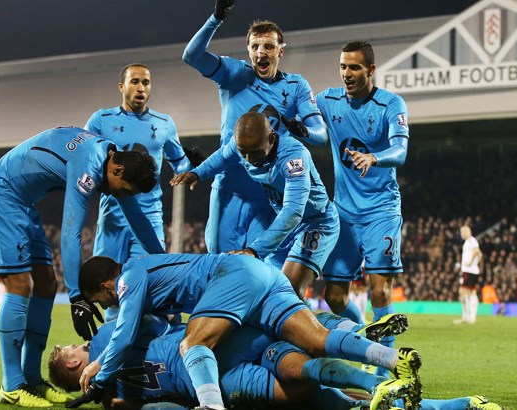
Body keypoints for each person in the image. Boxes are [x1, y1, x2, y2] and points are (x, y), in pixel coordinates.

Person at [71, 253, 423, 410]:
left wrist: (99, 372)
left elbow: (126, 331)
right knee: (314, 339)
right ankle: (395, 360)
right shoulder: (146, 268)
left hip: (230, 278)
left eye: (102, 301)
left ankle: (211, 405)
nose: (108, 307)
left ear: (106, 285)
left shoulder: (130, 278)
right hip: (261, 274)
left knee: (193, 342)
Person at [0, 126, 164, 407]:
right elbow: (71, 232)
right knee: (20, 285)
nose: (122, 196)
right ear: (118, 170)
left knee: (47, 284)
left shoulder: (111, 157)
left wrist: (165, 261)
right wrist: (76, 296)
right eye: (125, 190)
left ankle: (31, 378)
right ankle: (11, 385)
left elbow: (139, 220)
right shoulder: (89, 166)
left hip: (22, 202)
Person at [56, 313, 502, 410]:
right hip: (225, 364)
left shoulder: (106, 354)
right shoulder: (110, 368)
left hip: (223, 361)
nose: (69, 347)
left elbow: (155, 322)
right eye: (63, 353)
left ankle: (369, 356)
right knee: (304, 378)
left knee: (304, 368)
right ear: (72, 366)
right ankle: (457, 404)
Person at [182, 0, 328, 255]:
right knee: (221, 263)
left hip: (268, 195)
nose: (262, 52)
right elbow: (191, 56)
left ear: (280, 52)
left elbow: (321, 135)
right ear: (248, 50)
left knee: (259, 267)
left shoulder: (296, 86)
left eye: (269, 46)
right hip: (229, 189)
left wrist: (301, 130)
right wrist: (215, 18)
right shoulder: (234, 74)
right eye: (255, 46)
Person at [171, 112, 337, 299]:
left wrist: (255, 250)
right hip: (282, 227)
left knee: (290, 290)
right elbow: (223, 157)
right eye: (244, 153)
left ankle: (328, 328)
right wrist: (198, 173)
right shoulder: (243, 145)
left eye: (256, 152)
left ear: (272, 138)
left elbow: (293, 210)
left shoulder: (293, 158)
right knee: (268, 290)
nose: (249, 159)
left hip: (315, 223)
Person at [315, 41, 410, 362]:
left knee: (380, 290)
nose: (346, 74)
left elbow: (400, 152)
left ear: (371, 70)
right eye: (342, 66)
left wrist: (374, 157)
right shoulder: (328, 101)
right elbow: (296, 111)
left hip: (381, 210)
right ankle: (364, 339)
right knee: (334, 295)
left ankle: (389, 369)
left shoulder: (391, 105)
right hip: (342, 213)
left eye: (354, 67)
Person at [85, 63, 197, 321]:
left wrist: (190, 168)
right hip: (111, 220)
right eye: (135, 81)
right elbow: (84, 159)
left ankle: (150, 346)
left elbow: (179, 161)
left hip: (148, 217)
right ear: (121, 86)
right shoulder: (101, 120)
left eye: (146, 83)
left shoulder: (164, 123)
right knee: (107, 288)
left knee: (147, 283)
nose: (141, 88)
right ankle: (112, 344)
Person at [454, 225, 482, 325]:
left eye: (464, 232)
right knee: (470, 292)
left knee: (464, 292)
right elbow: (480, 255)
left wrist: (470, 262)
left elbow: (477, 251)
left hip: (469, 271)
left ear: (469, 232)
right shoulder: (468, 242)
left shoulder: (471, 240)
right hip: (469, 271)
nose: (462, 234)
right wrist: (477, 262)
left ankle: (469, 317)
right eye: (462, 232)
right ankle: (468, 317)